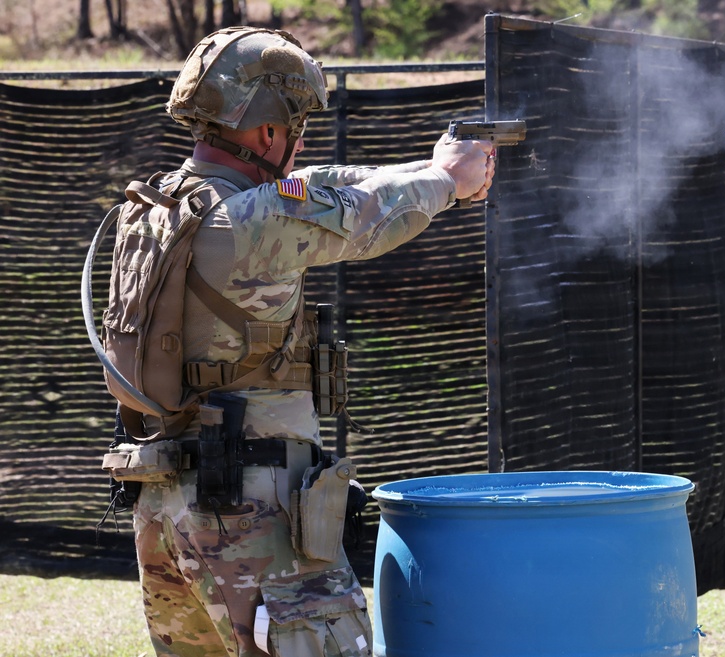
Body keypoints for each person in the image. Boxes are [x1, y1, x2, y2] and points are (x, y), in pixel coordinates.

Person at [128, 26, 494, 657]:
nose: (299, 143)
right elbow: (368, 217)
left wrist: (433, 164)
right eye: (296, 125)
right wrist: (448, 182)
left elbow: (324, 184)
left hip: (165, 498)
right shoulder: (257, 220)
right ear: (268, 132)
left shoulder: (158, 209)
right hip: (248, 503)